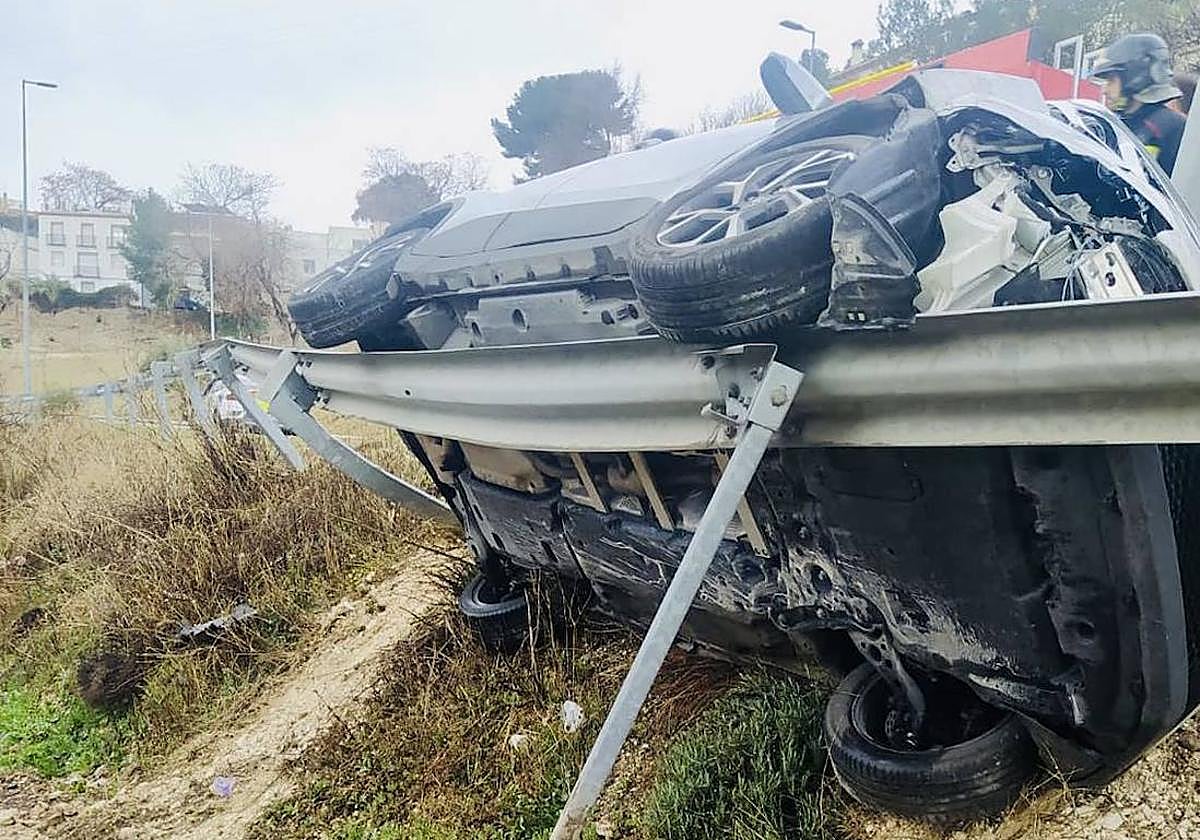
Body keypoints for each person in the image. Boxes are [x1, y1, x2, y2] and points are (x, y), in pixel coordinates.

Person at [1091, 33, 1187, 175]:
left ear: (1134, 77)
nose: (1104, 90)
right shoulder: (1115, 125)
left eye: (1111, 80)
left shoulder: (1172, 127)